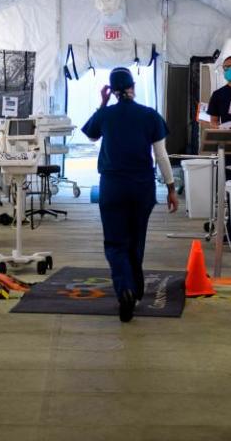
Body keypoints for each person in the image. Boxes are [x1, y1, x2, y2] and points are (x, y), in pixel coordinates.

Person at [82, 67, 179, 322]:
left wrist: (102, 104)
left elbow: (91, 136)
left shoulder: (106, 115)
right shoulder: (150, 116)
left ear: (112, 91)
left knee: (115, 243)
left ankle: (124, 288)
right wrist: (170, 187)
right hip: (141, 186)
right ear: (133, 87)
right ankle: (135, 292)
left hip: (112, 186)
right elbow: (161, 155)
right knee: (136, 241)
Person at [206, 55, 231, 181]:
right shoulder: (218, 95)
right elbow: (213, 121)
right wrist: (218, 128)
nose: (229, 70)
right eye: (226, 68)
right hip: (229, 143)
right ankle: (230, 200)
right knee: (230, 179)